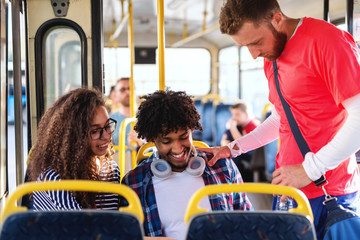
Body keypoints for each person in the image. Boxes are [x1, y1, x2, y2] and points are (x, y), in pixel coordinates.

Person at [198, 0, 360, 238]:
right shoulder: (272, 54)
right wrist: (233, 148)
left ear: (276, 19)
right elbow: (282, 119)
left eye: (256, 42)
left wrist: (310, 169)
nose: (254, 55)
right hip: (287, 187)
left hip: (329, 191)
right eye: (246, 47)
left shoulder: (326, 41)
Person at [121, 90, 253, 239]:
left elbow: (247, 222)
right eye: (166, 141)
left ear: (191, 130)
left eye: (183, 137)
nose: (178, 149)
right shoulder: (134, 183)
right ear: (152, 139)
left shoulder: (222, 167)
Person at [27, 88, 121, 210]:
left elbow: (112, 221)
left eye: (108, 126)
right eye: (94, 131)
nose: (106, 136)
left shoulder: (110, 170)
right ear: (74, 136)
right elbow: (79, 227)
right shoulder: (53, 178)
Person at [220, 101, 260, 182]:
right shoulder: (240, 125)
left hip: (252, 155)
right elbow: (224, 137)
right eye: (233, 114)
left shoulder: (253, 125)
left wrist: (232, 127)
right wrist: (223, 143)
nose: (234, 117)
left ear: (246, 115)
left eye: (237, 114)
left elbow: (242, 144)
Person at [110, 77, 143, 149]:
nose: (127, 92)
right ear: (115, 95)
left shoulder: (147, 117)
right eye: (122, 90)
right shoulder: (110, 120)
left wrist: (141, 143)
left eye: (130, 89)